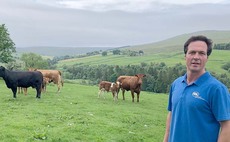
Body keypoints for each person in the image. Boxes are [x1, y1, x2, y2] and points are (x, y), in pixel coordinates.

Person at [163, 35, 230, 142]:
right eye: (192, 52)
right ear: (185, 56)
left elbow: (227, 127)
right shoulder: (176, 84)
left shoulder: (217, 89)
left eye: (202, 53)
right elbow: (171, 115)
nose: (196, 57)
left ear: (207, 58)